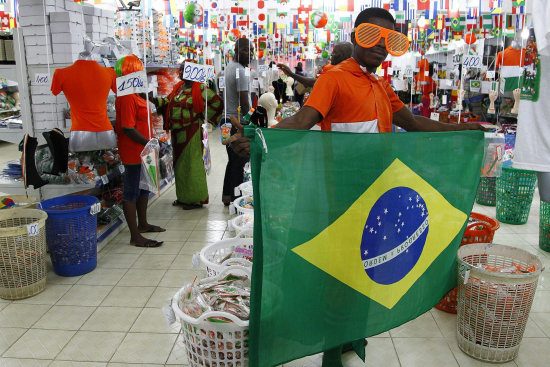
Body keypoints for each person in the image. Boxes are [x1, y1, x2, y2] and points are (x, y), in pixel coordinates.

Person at [225, 7, 486, 366]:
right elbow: (304, 119)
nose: (380, 46)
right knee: (338, 277)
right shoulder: (334, 78)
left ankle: (350, 336)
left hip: (377, 197)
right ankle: (333, 351)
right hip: (341, 198)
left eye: (390, 40)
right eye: (370, 36)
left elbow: (410, 122)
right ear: (354, 36)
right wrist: (259, 138)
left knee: (366, 273)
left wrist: (460, 130)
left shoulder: (380, 85)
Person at [155, 61, 224, 210]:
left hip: (192, 132)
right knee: (179, 166)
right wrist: (154, 99)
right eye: (180, 68)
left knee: (193, 166)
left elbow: (217, 103)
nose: (180, 71)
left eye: (183, 68)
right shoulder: (178, 88)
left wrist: (202, 117)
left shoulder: (200, 89)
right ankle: (183, 198)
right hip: (177, 133)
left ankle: (195, 199)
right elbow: (167, 102)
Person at [115, 55, 165, 248]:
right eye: (137, 70)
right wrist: (149, 142)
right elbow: (128, 127)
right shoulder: (127, 97)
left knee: (144, 186)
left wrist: (151, 142)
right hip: (134, 151)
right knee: (131, 191)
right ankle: (135, 235)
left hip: (144, 150)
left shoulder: (135, 95)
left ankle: (143, 224)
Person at [222, 37, 254, 206]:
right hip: (237, 122)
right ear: (236, 49)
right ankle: (236, 200)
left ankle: (227, 196)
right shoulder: (240, 71)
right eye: (244, 49)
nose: (249, 53)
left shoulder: (229, 67)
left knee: (233, 159)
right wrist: (250, 121)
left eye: (251, 50)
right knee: (240, 160)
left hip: (225, 120)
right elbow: (244, 100)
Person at [277, 42, 354, 89]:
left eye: (335, 52)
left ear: (343, 56)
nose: (331, 54)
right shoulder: (335, 71)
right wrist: (291, 74)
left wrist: (291, 74)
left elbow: (313, 82)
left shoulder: (342, 75)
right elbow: (314, 82)